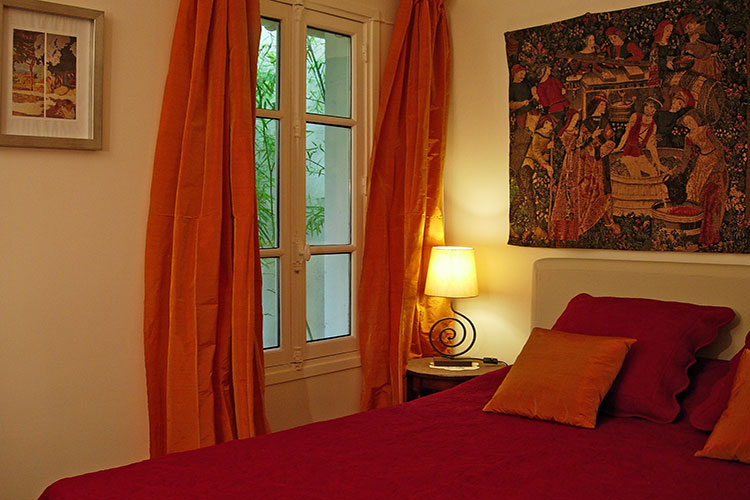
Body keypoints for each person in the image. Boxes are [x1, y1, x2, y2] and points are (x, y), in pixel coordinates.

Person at [671, 109, 728, 246]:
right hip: (702, 160)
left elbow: (719, 146)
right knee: (691, 186)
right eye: (686, 123)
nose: (689, 124)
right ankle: (696, 225)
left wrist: (720, 163)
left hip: (713, 158)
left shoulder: (706, 130)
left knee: (707, 190)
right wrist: (678, 170)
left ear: (696, 119)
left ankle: (707, 228)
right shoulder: (689, 137)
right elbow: (686, 157)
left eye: (690, 121)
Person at [513, 115, 556, 239]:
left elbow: (542, 155)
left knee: (522, 195)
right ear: (543, 123)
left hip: (532, 165)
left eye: (551, 123)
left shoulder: (549, 136)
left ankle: (511, 221)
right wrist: (546, 165)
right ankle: (534, 226)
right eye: (547, 123)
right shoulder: (537, 135)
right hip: (526, 164)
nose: (549, 125)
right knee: (529, 195)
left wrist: (548, 151)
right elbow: (536, 152)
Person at [613, 96, 667, 178]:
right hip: (628, 153)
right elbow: (626, 134)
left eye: (651, 107)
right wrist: (618, 148)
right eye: (646, 105)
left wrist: (658, 163)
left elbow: (650, 145)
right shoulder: (635, 116)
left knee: (654, 173)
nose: (647, 108)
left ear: (655, 110)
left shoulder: (653, 126)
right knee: (637, 176)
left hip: (639, 155)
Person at [676, 13, 724, 80]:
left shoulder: (707, 26)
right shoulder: (691, 35)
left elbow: (717, 40)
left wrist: (701, 36)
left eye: (689, 27)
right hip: (699, 60)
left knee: (709, 79)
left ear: (693, 21)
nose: (689, 30)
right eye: (686, 30)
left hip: (710, 60)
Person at [509, 64, 537, 129]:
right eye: (521, 74)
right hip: (521, 114)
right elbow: (510, 104)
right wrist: (522, 103)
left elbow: (533, 88)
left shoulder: (525, 84)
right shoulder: (512, 87)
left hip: (531, 111)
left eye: (524, 74)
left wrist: (534, 94)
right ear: (515, 73)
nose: (523, 76)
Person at [648, 20, 676, 85]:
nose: (669, 33)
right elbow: (654, 60)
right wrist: (666, 63)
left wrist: (670, 60)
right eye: (667, 30)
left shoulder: (668, 44)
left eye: (670, 31)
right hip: (657, 72)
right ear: (662, 30)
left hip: (667, 71)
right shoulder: (656, 45)